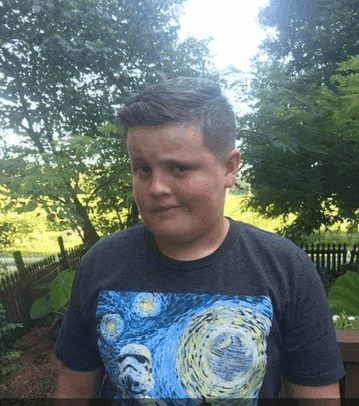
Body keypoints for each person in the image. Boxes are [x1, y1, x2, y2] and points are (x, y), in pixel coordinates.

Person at [54, 77, 345, 405]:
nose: (157, 188)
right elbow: (72, 389)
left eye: (179, 168)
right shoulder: (102, 263)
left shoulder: (286, 268)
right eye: (143, 169)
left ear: (229, 168)